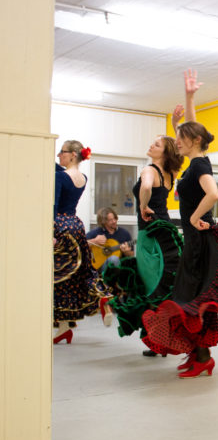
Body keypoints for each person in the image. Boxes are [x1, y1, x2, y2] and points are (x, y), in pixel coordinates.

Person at [141, 69, 218, 376]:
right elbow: (191, 130)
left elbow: (213, 193)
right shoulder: (197, 159)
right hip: (196, 241)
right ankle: (200, 354)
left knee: (191, 300)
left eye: (180, 138)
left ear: (195, 140)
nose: (176, 142)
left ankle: (202, 357)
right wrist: (189, 98)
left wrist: (197, 216)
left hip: (200, 241)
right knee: (191, 299)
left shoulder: (200, 163)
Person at [101, 132, 184, 356]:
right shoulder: (169, 173)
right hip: (165, 230)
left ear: (164, 153)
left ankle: (157, 340)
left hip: (150, 232)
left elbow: (146, 187)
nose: (151, 145)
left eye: (156, 144)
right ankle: (159, 339)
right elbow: (179, 150)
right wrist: (178, 127)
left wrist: (142, 206)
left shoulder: (150, 170)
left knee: (150, 286)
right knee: (164, 282)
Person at [53, 140, 108, 343]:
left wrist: (51, 231)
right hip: (76, 225)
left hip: (61, 226)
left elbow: (54, 204)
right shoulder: (82, 178)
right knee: (80, 272)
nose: (59, 155)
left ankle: (63, 324)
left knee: (57, 275)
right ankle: (100, 298)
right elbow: (61, 169)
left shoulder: (60, 177)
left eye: (62, 152)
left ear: (73, 155)